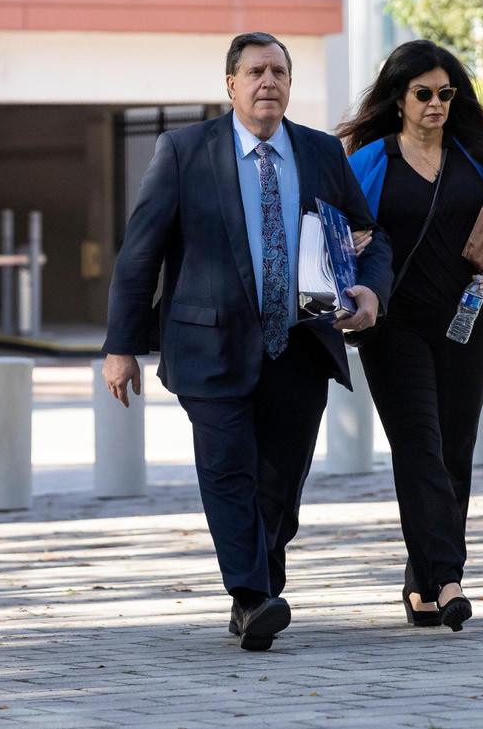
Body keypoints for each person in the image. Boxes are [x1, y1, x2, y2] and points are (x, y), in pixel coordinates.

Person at [102, 32, 393, 651]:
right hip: (207, 347)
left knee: (280, 485)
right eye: (256, 72)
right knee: (227, 471)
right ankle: (253, 596)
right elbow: (140, 253)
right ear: (231, 84)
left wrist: (369, 291)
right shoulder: (184, 151)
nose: (270, 82)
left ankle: (260, 589)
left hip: (300, 344)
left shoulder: (319, 153)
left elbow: (370, 236)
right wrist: (120, 347)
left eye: (280, 72)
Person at [339, 40, 483, 632]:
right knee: (419, 446)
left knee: (453, 451)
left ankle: (420, 584)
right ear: (399, 97)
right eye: (423, 93)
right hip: (393, 325)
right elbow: (331, 228)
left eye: (446, 94)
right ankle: (449, 576)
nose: (435, 104)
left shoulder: (480, 160)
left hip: (468, 322)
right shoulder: (369, 161)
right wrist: (347, 253)